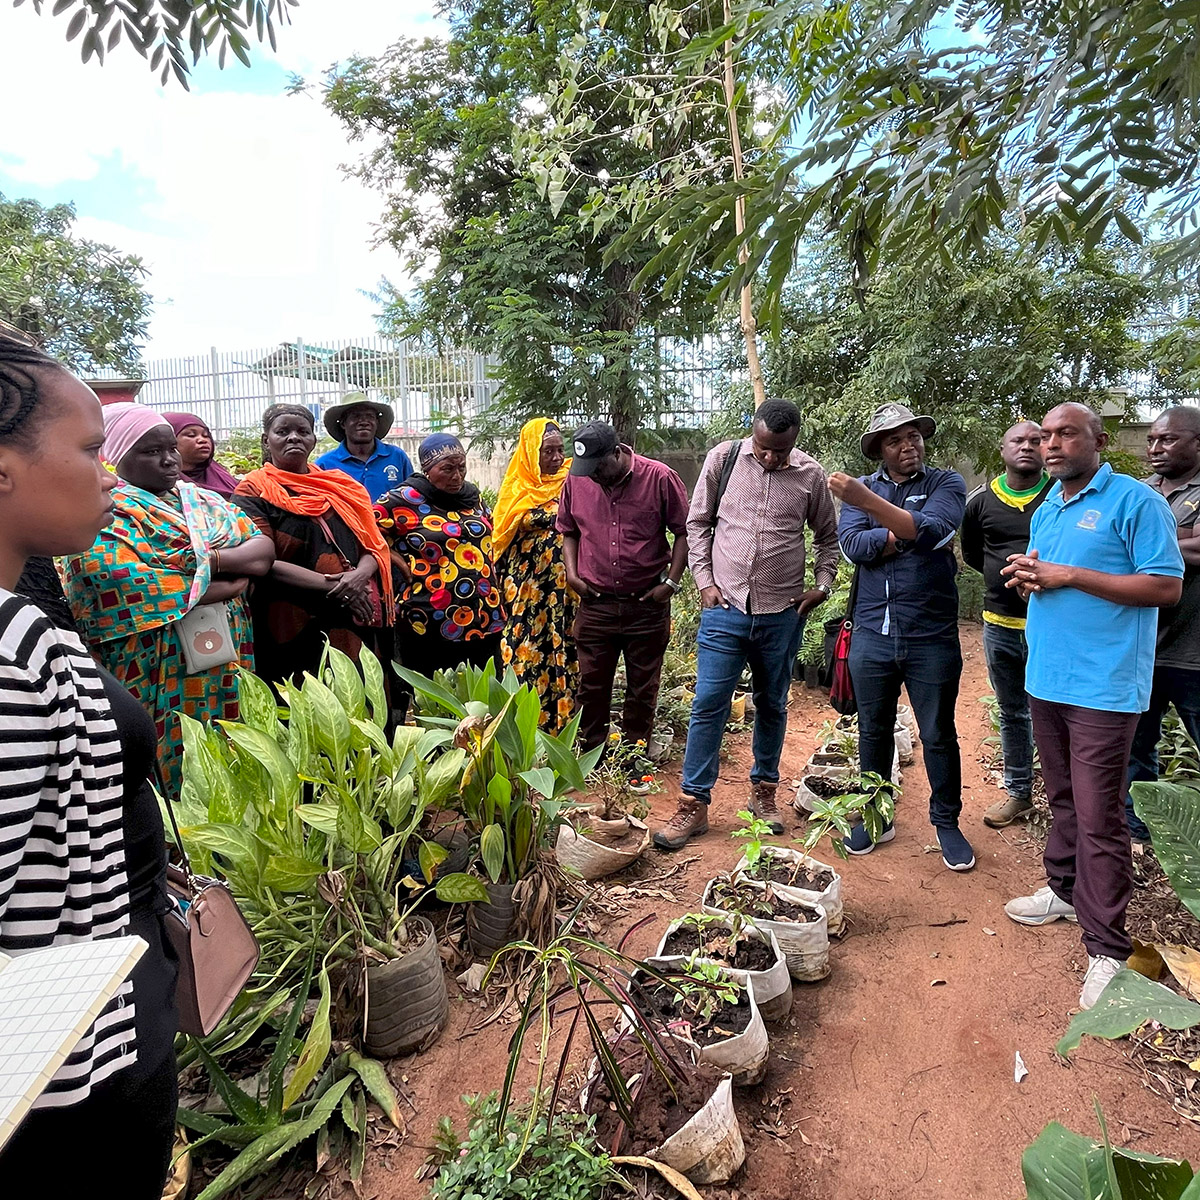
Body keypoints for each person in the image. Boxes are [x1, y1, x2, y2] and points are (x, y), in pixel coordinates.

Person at [0, 332, 178, 1195]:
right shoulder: (5, 661)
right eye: (83, 447)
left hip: (87, 1047)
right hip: (61, 1086)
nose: (106, 470)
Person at [1002, 403, 1183, 1010]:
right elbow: (1055, 576)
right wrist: (1031, 577)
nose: (1051, 445)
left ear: (1099, 441)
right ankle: (1063, 888)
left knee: (1100, 814)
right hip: (1047, 678)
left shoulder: (1136, 502)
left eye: (1065, 435)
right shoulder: (1049, 504)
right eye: (1045, 436)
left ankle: (1106, 950)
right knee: (1062, 799)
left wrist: (1069, 576)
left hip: (1104, 687)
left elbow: (1165, 585)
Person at [60, 402, 274, 799]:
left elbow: (261, 552)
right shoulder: (106, 511)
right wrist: (224, 585)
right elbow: (116, 581)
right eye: (151, 451)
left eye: (171, 449)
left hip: (223, 656)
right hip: (154, 660)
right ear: (118, 455)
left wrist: (208, 560)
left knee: (228, 740)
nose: (168, 460)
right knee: (163, 752)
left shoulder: (204, 503)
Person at [654, 399, 839, 850]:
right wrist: (703, 583)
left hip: (782, 614)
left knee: (772, 703)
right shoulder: (725, 457)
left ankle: (764, 791)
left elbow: (827, 538)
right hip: (725, 607)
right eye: (763, 448)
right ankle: (694, 803)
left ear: (794, 440)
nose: (770, 458)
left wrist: (822, 585)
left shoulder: (810, 476)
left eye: (780, 451)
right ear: (752, 434)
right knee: (709, 703)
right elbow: (697, 523)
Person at [829, 402, 975, 871]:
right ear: (879, 449)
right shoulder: (863, 490)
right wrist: (897, 533)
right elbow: (852, 546)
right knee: (872, 731)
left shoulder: (946, 484)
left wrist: (874, 513)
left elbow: (932, 532)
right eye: (895, 439)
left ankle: (946, 823)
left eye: (913, 435)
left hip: (930, 635)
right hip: (873, 632)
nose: (908, 444)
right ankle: (876, 815)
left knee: (937, 733)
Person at [557, 421, 689, 790]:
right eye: (588, 470)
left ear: (617, 452)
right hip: (595, 602)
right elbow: (568, 529)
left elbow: (685, 531)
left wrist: (672, 582)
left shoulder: (659, 478)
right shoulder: (578, 480)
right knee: (591, 684)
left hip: (646, 603)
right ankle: (591, 756)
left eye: (599, 467)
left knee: (642, 686)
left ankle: (634, 757)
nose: (594, 476)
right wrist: (571, 572)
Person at [232, 404, 395, 685]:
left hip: (354, 615)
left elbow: (373, 544)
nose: (294, 437)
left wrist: (358, 576)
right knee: (303, 706)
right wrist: (337, 585)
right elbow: (261, 562)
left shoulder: (341, 486)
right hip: (290, 622)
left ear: (313, 440)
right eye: (283, 431)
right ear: (265, 440)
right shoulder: (252, 491)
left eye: (302, 431)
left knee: (361, 700)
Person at [961, 420, 1053, 828]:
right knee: (1013, 711)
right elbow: (973, 555)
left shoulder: (1060, 496)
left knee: (1058, 712)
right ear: (1003, 449)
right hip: (999, 623)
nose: (1028, 447)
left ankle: (1066, 799)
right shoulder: (980, 501)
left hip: (1053, 625)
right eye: (1019, 440)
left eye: (1037, 440)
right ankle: (1019, 793)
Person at [1124, 406, 1200, 842]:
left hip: (1194, 652)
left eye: (1168, 439)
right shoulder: (1141, 491)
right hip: (1144, 647)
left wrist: (1152, 544)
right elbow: (1118, 548)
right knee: (1137, 746)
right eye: (1153, 440)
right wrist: (1181, 540)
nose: (1155, 448)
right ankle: (1140, 832)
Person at [375, 433, 506, 683]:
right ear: (426, 469)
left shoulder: (472, 496)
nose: (457, 476)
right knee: (435, 701)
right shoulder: (403, 499)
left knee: (486, 701)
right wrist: (394, 559)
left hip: (484, 615)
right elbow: (364, 530)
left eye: (461, 467)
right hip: (430, 617)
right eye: (447, 469)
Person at [492, 418, 578, 731]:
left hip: (564, 590)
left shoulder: (573, 480)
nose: (556, 458)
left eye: (560, 450)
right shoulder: (517, 487)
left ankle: (561, 725)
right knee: (525, 649)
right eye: (548, 452)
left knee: (563, 647)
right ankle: (522, 727)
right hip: (527, 589)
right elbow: (500, 536)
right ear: (531, 453)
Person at [315, 392, 414, 503]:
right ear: (343, 424)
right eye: (356, 416)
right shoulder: (325, 465)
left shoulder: (397, 457)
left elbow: (412, 496)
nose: (363, 422)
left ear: (377, 422)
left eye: (369, 416)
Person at [163, 410, 241, 498]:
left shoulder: (219, 475)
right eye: (191, 435)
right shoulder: (163, 485)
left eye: (206, 435)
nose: (202, 440)